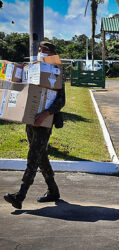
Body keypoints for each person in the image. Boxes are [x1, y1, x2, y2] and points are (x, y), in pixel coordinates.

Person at [4, 41, 65, 209]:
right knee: (41, 156)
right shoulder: (33, 69)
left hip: (43, 122)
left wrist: (45, 114)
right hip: (31, 120)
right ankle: (53, 191)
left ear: (51, 53)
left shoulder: (56, 72)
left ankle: (20, 195)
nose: (40, 52)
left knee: (33, 157)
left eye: (43, 50)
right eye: (39, 50)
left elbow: (62, 100)